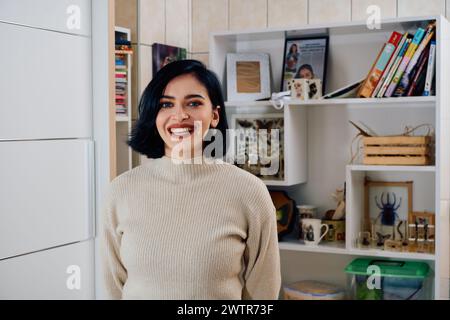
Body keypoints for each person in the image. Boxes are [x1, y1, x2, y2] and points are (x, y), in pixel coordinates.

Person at [101, 59, 281, 300]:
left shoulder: (249, 192)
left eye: (194, 103)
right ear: (155, 115)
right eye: (166, 104)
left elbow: (263, 291)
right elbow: (113, 286)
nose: (180, 115)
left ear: (214, 115)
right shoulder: (120, 191)